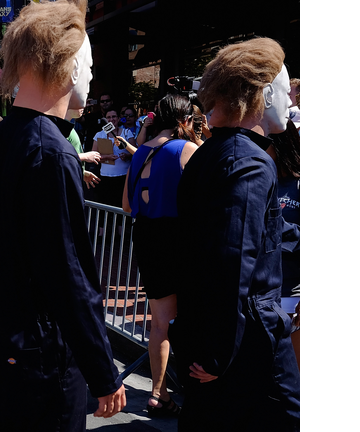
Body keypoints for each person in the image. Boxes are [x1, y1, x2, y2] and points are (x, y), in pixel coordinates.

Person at [0, 1, 126, 430]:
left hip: (2, 342)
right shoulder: (52, 152)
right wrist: (103, 369)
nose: (92, 76)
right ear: (71, 67)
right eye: (89, 65)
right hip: (43, 355)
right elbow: (66, 273)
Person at [171, 37, 300, 431]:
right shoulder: (251, 161)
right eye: (283, 89)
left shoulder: (209, 153)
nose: (288, 100)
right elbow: (232, 259)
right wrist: (217, 353)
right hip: (248, 344)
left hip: (214, 337)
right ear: (261, 94)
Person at [122, 94, 199, 417]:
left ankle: (158, 392)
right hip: (178, 238)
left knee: (160, 323)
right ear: (185, 120)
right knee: (191, 320)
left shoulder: (140, 151)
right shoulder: (187, 149)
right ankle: (195, 393)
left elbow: (127, 205)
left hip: (146, 236)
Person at [268, 118, 301, 369]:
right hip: (259, 290)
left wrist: (276, 230)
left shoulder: (300, 185)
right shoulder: (261, 179)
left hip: (291, 291)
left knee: (289, 365)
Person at [90, 109, 132, 207]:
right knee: (106, 205)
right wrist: (107, 157)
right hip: (105, 177)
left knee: (120, 205)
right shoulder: (99, 135)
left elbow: (135, 152)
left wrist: (126, 155)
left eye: (114, 117)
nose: (111, 119)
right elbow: (93, 154)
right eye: (108, 117)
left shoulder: (126, 132)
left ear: (118, 118)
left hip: (123, 176)